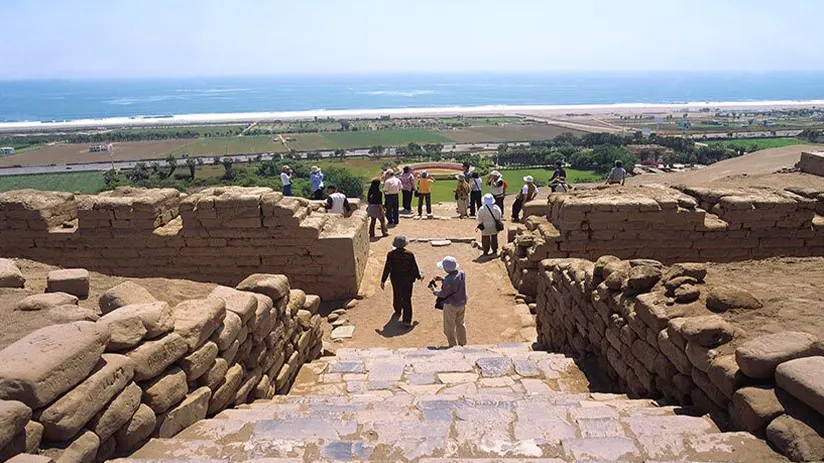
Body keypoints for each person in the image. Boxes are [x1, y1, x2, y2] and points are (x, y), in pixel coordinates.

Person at [380, 235, 422, 327]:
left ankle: (398, 310)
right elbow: (414, 267)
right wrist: (419, 276)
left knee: (397, 294)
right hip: (407, 280)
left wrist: (383, 280)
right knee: (407, 298)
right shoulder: (409, 254)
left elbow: (387, 268)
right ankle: (407, 320)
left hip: (396, 279)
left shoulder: (391, 254)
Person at [430, 256, 468, 347]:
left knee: (449, 327)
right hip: (462, 302)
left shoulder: (448, 280)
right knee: (460, 323)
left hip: (451, 305)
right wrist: (443, 280)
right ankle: (462, 343)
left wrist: (434, 291)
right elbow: (454, 284)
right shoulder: (462, 274)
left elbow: (443, 294)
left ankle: (453, 345)